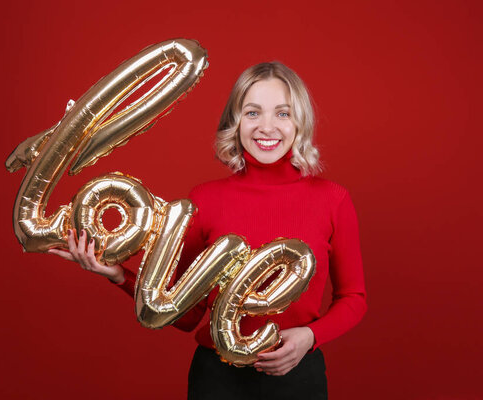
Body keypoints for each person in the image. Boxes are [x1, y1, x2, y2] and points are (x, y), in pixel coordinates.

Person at [49, 62, 367, 399]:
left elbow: (354, 298)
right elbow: (187, 314)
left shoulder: (333, 199)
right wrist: (116, 274)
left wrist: (309, 336)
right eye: (253, 112)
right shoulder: (205, 199)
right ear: (236, 122)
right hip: (217, 381)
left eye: (283, 114)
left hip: (298, 377)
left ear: (300, 122)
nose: (267, 127)